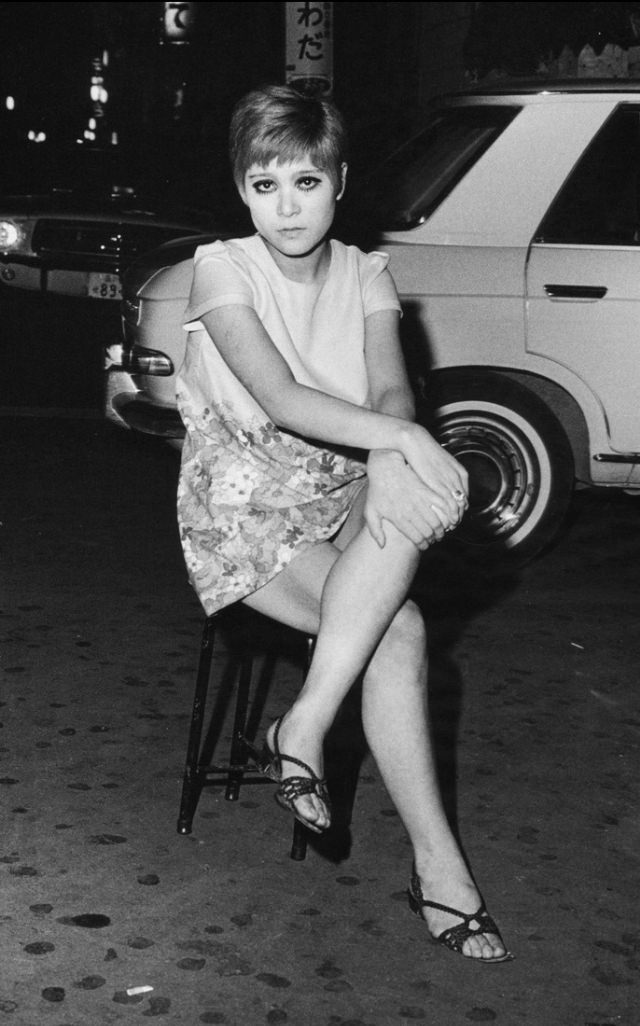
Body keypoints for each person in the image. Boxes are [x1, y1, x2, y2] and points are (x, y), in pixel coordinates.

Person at [176, 84, 512, 963]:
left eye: (306, 182)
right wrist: (404, 441)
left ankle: (307, 719)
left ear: (341, 181)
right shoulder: (222, 268)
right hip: (245, 502)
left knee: (397, 469)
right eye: (264, 185)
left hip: (338, 486)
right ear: (242, 191)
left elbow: (392, 389)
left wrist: (400, 440)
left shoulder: (367, 272)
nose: (286, 207)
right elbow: (282, 399)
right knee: (399, 631)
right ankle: (441, 869)